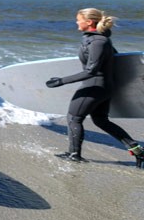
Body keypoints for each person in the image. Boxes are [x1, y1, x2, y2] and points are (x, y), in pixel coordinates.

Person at [46, 8, 143, 167]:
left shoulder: (98, 42)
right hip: (103, 87)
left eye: (78, 19)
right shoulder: (100, 40)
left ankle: (74, 154)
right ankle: (138, 151)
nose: (76, 22)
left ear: (89, 22)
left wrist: (62, 81)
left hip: (95, 86)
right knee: (100, 120)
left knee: (74, 118)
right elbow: (116, 60)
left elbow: (92, 70)